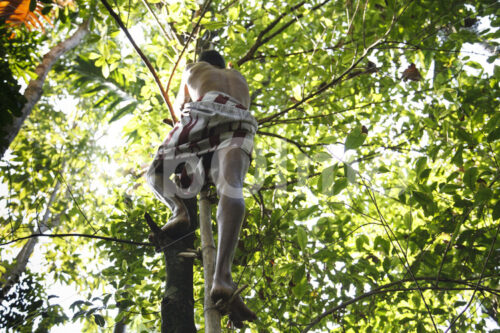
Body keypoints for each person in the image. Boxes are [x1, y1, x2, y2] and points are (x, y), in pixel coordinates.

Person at [146, 50, 258, 325]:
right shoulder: (239, 77)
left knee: (155, 172)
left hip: (204, 110)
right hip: (239, 119)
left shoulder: (193, 69)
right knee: (231, 188)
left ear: (203, 62)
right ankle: (222, 277)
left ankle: (179, 210)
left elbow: (183, 105)